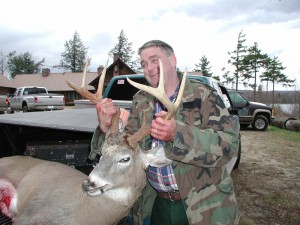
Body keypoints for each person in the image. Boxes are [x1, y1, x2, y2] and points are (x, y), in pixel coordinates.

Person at [90, 40, 240, 225]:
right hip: (156, 203)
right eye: (144, 64)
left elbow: (229, 146)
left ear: (173, 60)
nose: (149, 68)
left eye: (154, 60)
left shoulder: (203, 95)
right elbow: (126, 147)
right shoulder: (141, 100)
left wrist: (179, 134)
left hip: (203, 205)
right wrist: (106, 129)